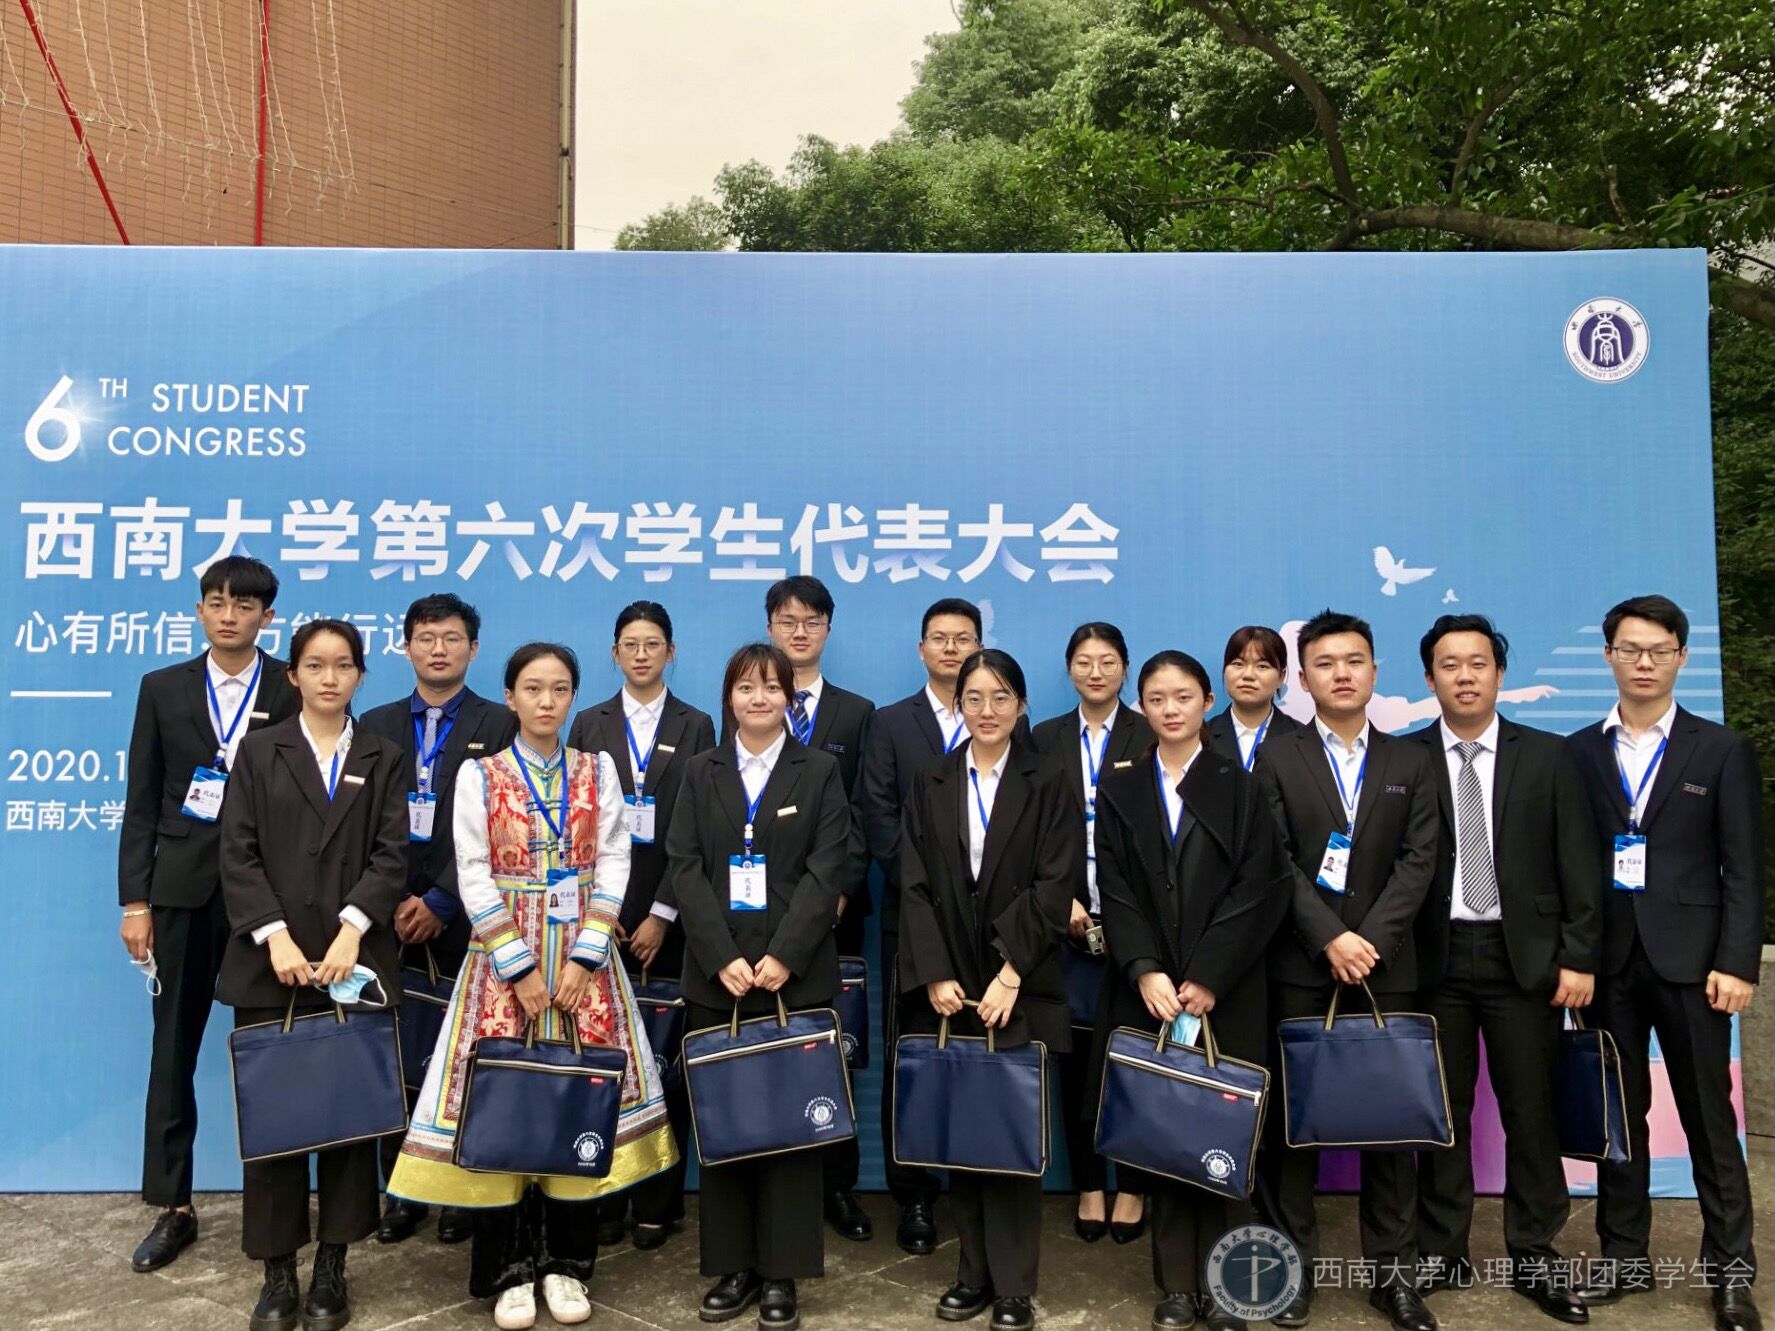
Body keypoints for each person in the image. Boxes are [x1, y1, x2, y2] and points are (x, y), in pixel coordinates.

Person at [387, 643, 677, 1331]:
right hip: (501, 964)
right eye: (533, 688)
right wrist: (517, 966)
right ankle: (507, 1270)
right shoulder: (480, 774)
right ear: (510, 696)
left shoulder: (596, 769)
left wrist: (585, 957)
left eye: (560, 688)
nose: (547, 701)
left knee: (576, 1104)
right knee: (503, 1106)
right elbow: (472, 869)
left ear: (573, 696)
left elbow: (615, 858)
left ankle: (567, 1264)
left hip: (584, 963)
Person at [1564, 596, 1762, 1331]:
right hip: (1606, 965)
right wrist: (1573, 957)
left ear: (1681, 656)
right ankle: (1623, 1257)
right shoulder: (1577, 752)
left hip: (1695, 965)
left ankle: (1730, 1274)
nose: (1643, 662)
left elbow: (1744, 868)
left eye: (1657, 650)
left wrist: (1737, 962)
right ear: (1608, 656)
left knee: (1710, 1121)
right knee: (1619, 1119)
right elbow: (1566, 865)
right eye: (1629, 649)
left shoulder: (1720, 750)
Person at [666, 642, 866, 1330]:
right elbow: (684, 865)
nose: (759, 698)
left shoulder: (820, 771)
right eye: (746, 687)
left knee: (790, 1129)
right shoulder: (701, 769)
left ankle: (782, 1271)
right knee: (725, 1122)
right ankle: (733, 1266)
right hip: (716, 977)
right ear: (729, 696)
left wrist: (785, 953)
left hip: (794, 976)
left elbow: (827, 868)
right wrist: (719, 954)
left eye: (772, 687)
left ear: (789, 699)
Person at [216, 618, 409, 1331]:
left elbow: (392, 854)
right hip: (272, 965)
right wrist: (274, 936)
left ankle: (333, 1267)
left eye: (344, 665)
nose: (330, 678)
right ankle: (277, 1273)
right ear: (292, 674)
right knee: (277, 1122)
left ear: (360, 674)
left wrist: (352, 930)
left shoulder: (384, 754)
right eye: (316, 665)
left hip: (353, 962)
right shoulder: (260, 750)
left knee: (349, 1122)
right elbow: (236, 852)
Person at [1407, 615, 1600, 1325]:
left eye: (1478, 662)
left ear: (1498, 673)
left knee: (1531, 1108)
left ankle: (1533, 1250)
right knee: (1442, 1110)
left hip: (1526, 957)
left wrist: (1579, 955)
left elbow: (1580, 861)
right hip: (1434, 957)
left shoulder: (1549, 756)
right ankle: (1442, 1247)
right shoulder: (1404, 758)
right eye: (1449, 664)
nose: (1464, 675)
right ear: (1428, 677)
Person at [1093, 650, 1293, 1331]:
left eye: (1182, 696)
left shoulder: (1240, 784)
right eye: (1156, 698)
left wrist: (1207, 974)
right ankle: (1176, 1285)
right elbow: (1115, 887)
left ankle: (1229, 1284)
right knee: (1166, 1137)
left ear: (1207, 702)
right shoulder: (1120, 786)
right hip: (1149, 992)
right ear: (1142, 708)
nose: (1170, 708)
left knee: (1226, 1135)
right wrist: (1145, 968)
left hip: (1225, 991)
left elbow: (1262, 887)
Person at [1256, 609, 1440, 1331]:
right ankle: (1291, 1271)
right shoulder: (1276, 757)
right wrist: (1330, 937)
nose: (1341, 673)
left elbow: (1419, 861)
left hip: (1387, 968)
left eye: (1354, 660)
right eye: (1325, 663)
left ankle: (1393, 1278)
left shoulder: (1409, 761)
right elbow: (1274, 860)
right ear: (1303, 679)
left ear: (1373, 670)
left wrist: (1369, 940)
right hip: (1302, 966)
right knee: (1293, 1128)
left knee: (1391, 1130)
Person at [118, 555, 299, 1273]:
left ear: (267, 617)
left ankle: (275, 1206)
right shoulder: (162, 688)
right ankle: (173, 1206)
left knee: (274, 1052)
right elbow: (141, 800)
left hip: (269, 900)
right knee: (173, 1050)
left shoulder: (290, 685)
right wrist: (136, 900)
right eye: (217, 602)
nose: (229, 615)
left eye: (244, 605)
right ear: (200, 611)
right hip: (182, 894)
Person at [898, 648, 1080, 1331]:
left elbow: (1054, 884)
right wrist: (935, 970)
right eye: (973, 698)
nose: (987, 710)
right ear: (958, 705)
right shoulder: (933, 778)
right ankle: (970, 1273)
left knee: (1008, 1132)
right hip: (949, 983)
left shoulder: (1048, 778)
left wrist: (1011, 971)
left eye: (1001, 697)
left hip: (1017, 981)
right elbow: (913, 882)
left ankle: (1013, 1286)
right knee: (962, 1133)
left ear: (1021, 705)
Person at [858, 597, 1028, 1255]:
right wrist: (929, 882)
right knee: (915, 1055)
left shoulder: (1008, 723)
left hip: (997, 930)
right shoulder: (889, 722)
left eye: (964, 637)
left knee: (985, 1061)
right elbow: (877, 814)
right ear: (921, 648)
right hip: (917, 919)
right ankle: (914, 1193)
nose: (951, 647)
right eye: (939, 637)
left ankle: (976, 1188)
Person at [359, 593, 517, 1247]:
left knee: (465, 1055)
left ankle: (462, 1191)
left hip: (470, 917)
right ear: (406, 647)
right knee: (391, 1054)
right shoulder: (374, 722)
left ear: (473, 648)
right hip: (387, 916)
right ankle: (401, 1190)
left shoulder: (499, 723)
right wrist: (395, 898)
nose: (438, 649)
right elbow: (363, 822)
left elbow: (503, 822)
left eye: (451, 638)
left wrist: (443, 900)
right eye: (425, 637)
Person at [567, 601, 716, 1251]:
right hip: (600, 920)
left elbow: (698, 828)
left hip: (670, 919)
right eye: (630, 643)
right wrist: (602, 917)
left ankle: (659, 1201)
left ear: (670, 652)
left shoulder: (697, 724)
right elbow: (576, 824)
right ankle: (603, 1194)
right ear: (614, 653)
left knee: (665, 1064)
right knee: (602, 1059)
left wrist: (661, 912)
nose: (641, 654)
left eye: (653, 643)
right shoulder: (589, 722)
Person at [744, 575, 877, 1242]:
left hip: (833, 915)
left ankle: (838, 1185)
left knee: (831, 1051)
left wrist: (836, 893)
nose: (799, 632)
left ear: (828, 628)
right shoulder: (746, 705)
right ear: (770, 626)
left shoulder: (857, 713)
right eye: (787, 620)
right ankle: (767, 1181)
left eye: (812, 621)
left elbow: (863, 813)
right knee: (763, 1053)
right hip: (755, 921)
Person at [1029, 622, 1153, 1245]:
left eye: (1107, 660)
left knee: (1134, 1061)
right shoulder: (1044, 738)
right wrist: (1063, 902)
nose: (1096, 671)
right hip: (1067, 926)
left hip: (1139, 927)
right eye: (1084, 660)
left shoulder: (1150, 732)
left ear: (1125, 667)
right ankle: (1088, 1185)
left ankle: (1132, 1187)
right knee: (1074, 1065)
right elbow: (1029, 830)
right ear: (1069, 668)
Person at [1205, 625, 1303, 769]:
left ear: (1281, 677)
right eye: (1238, 664)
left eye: (1262, 666)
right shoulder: (1202, 737)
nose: (1248, 675)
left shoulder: (1302, 739)